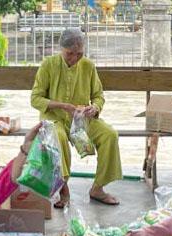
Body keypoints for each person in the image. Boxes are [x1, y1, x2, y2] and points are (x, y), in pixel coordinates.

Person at [31, 27, 122, 208]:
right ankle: (63, 189)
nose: (74, 58)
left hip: (81, 119)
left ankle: (98, 188)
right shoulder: (48, 65)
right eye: (69, 53)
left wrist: (94, 108)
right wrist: (63, 106)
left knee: (110, 134)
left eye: (79, 54)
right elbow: (35, 98)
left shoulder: (88, 66)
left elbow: (98, 95)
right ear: (61, 49)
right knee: (58, 137)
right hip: (54, 119)